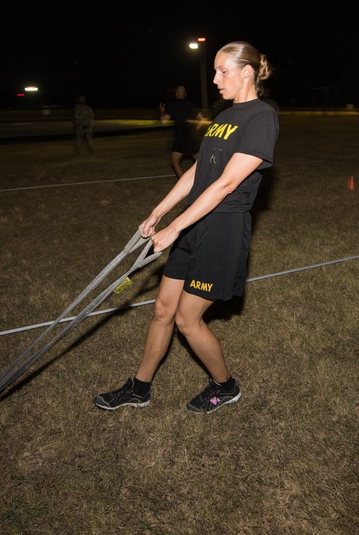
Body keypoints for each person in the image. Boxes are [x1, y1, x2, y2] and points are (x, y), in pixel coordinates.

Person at [94, 41, 279, 415]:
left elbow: (227, 183)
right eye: (214, 71)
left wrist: (175, 228)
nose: (214, 79)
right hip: (195, 222)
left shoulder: (262, 117)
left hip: (223, 230)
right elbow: (199, 171)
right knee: (163, 309)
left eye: (221, 71)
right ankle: (139, 388)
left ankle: (225, 386)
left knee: (186, 319)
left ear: (247, 72)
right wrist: (160, 211)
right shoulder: (225, 115)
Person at [159, 85, 205, 177]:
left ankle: (182, 182)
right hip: (193, 136)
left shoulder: (173, 104)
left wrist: (162, 111)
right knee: (199, 162)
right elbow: (203, 119)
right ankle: (203, 180)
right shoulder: (191, 104)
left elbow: (163, 120)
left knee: (175, 160)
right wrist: (195, 129)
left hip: (182, 136)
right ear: (185, 94)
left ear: (176, 94)